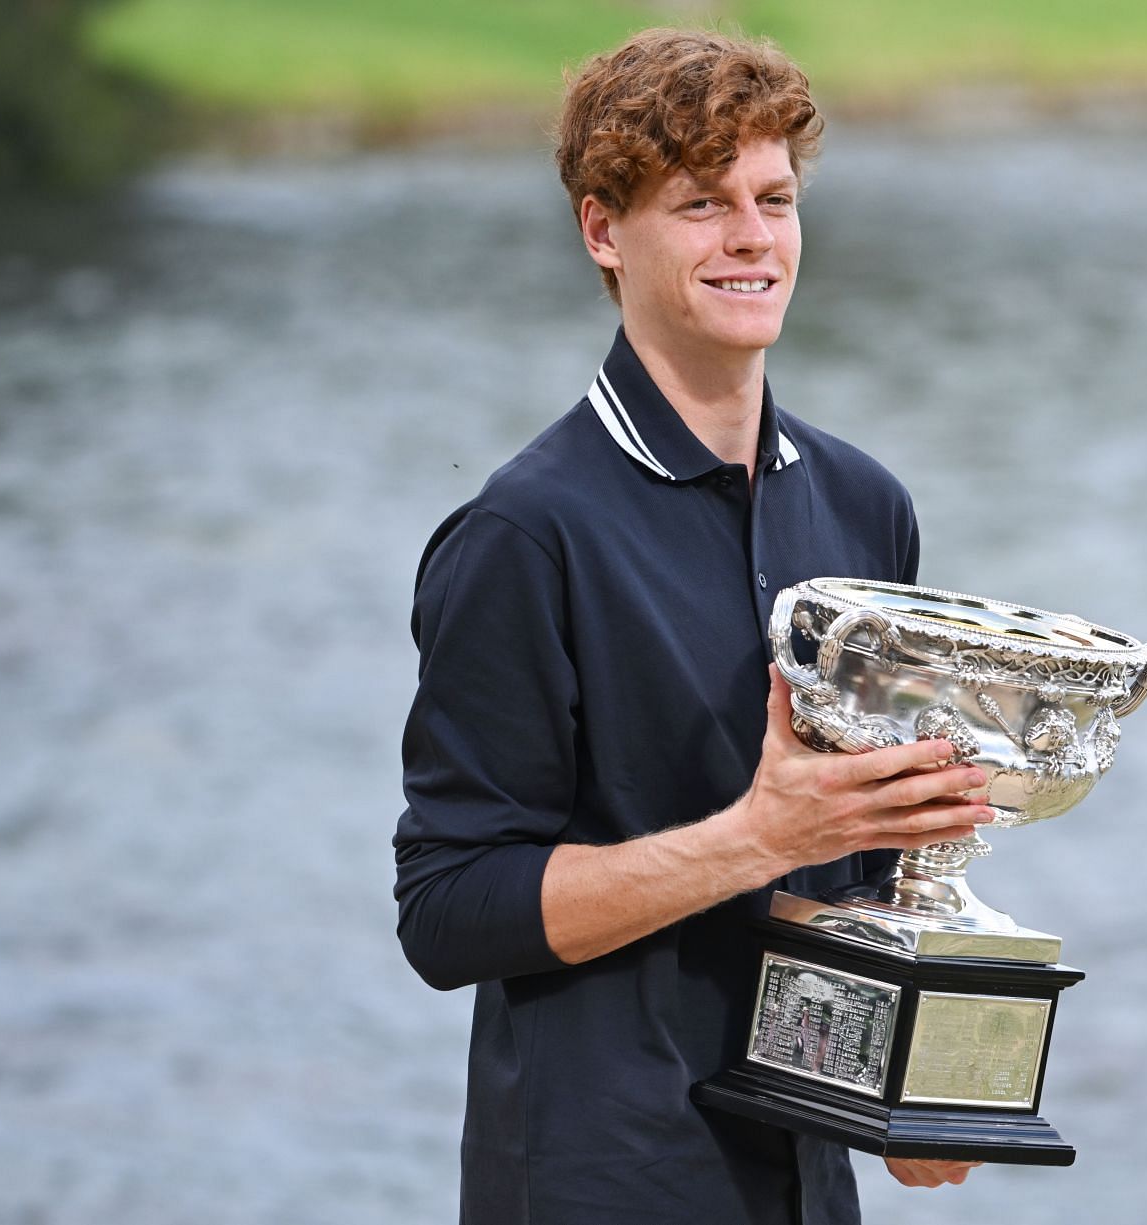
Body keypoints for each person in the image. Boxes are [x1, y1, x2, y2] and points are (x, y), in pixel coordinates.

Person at [393, 27, 996, 1225]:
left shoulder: (867, 505)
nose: (752, 238)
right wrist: (754, 836)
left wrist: (913, 1084)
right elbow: (450, 910)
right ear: (603, 231)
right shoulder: (525, 533)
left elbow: (863, 861)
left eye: (773, 198)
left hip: (806, 1176)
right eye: (702, 203)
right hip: (597, 1182)